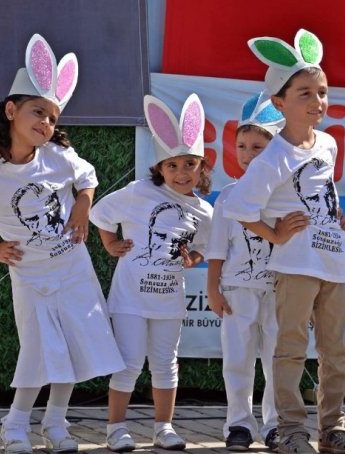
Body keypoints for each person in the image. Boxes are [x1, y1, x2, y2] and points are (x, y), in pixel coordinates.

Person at [0, 33, 124, 454]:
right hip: (31, 275)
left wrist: (83, 207)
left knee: (71, 343)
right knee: (39, 347)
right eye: (37, 112)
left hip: (73, 269)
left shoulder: (58, 155)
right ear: (11, 111)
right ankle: (14, 424)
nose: (46, 123)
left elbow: (87, 178)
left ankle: (56, 423)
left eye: (52, 116)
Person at [224, 29, 345, 454]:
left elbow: (322, 188)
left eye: (321, 92)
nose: (317, 101)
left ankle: (333, 428)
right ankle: (290, 431)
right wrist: (275, 235)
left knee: (336, 350)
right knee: (289, 352)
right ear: (279, 103)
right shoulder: (272, 157)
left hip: (332, 263)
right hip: (295, 266)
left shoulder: (328, 143)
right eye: (305, 93)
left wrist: (332, 212)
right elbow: (241, 208)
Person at [90, 94, 213, 452]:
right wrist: (110, 243)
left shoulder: (204, 211)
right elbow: (100, 214)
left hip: (169, 302)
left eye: (189, 164)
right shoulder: (139, 192)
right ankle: (116, 429)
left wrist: (196, 257)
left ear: (202, 167)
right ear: (160, 168)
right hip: (129, 298)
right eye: (172, 165)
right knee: (128, 363)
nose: (181, 172)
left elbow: (208, 244)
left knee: (165, 364)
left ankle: (164, 428)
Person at [206, 92, 296, 451]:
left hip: (278, 291)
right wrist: (213, 289)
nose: (247, 153)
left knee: (276, 362)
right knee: (238, 360)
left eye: (257, 146)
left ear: (274, 149)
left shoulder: (288, 195)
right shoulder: (228, 195)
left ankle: (275, 425)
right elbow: (216, 250)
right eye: (242, 145)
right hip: (237, 291)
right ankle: (238, 425)